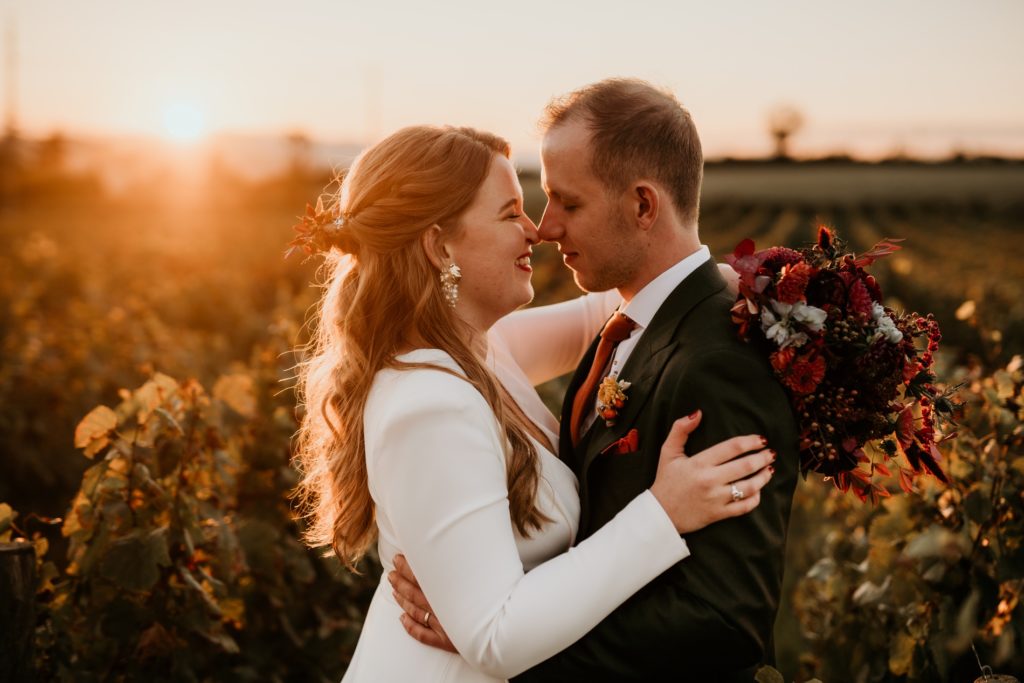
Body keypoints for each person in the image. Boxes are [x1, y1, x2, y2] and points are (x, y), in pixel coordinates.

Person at [291, 124, 776, 683]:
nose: (535, 231)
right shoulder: (430, 405)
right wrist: (662, 513)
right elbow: (495, 635)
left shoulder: (479, 351)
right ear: (438, 244)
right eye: (509, 214)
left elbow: (625, 308)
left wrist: (794, 299)